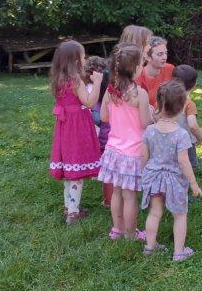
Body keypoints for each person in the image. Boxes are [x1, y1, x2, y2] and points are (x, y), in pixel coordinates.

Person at [140, 81, 202, 262]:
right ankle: (179, 252)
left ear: (158, 104)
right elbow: (184, 161)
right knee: (179, 215)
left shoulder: (149, 130)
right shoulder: (181, 134)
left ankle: (150, 247)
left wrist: (144, 173)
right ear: (182, 107)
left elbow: (144, 156)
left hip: (153, 177)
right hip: (175, 180)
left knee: (155, 212)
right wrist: (193, 184)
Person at [98, 43, 151, 241]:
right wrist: (152, 114)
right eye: (142, 64)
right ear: (135, 68)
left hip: (113, 151)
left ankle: (117, 229)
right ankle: (131, 233)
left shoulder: (111, 90)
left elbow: (103, 117)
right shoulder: (140, 94)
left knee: (116, 193)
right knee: (130, 196)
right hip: (132, 153)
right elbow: (145, 123)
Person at [49, 41, 104, 225]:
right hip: (77, 127)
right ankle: (73, 213)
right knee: (76, 168)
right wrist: (97, 83)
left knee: (70, 167)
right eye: (83, 56)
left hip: (65, 128)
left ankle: (69, 207)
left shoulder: (59, 79)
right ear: (75, 60)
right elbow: (89, 102)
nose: (85, 59)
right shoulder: (76, 81)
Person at [85, 55, 112, 206]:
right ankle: (111, 200)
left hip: (102, 142)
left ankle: (109, 200)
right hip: (113, 143)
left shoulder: (94, 97)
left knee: (107, 172)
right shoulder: (110, 98)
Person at [171, 64, 202, 170]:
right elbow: (193, 126)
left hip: (167, 139)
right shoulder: (189, 104)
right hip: (186, 142)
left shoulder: (165, 99)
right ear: (194, 84)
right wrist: (199, 138)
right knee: (187, 166)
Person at [138, 36, 174, 109]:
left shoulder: (170, 69)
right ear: (148, 57)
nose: (165, 57)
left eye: (166, 53)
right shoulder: (139, 76)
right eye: (160, 54)